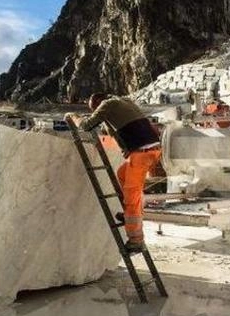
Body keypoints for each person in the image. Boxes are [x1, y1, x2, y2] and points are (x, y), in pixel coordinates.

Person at [69, 93, 161, 251]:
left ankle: (136, 240)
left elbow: (85, 125)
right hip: (152, 150)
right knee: (122, 174)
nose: (95, 112)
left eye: (94, 109)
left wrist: (74, 117)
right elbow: (114, 127)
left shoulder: (107, 105)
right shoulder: (125, 101)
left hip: (141, 153)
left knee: (131, 197)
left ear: (99, 102)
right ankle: (130, 215)